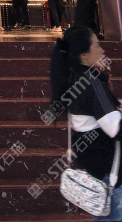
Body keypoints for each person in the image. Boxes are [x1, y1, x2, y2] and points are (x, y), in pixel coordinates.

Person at [50, 26, 122, 220]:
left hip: (92, 167)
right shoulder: (91, 82)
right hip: (107, 171)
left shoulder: (74, 79)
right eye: (97, 45)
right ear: (84, 55)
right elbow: (115, 129)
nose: (102, 50)